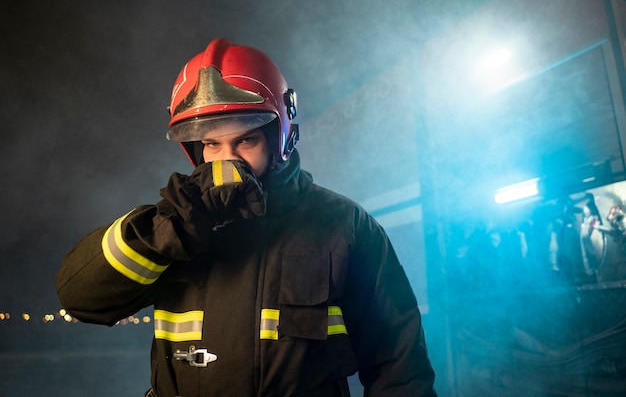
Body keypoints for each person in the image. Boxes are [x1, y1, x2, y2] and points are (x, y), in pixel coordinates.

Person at [56, 37, 438, 397]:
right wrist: (169, 229)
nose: (228, 161)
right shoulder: (172, 227)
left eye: (245, 140)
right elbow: (81, 299)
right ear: (195, 149)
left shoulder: (346, 226)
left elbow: (398, 363)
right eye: (211, 144)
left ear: (280, 135)